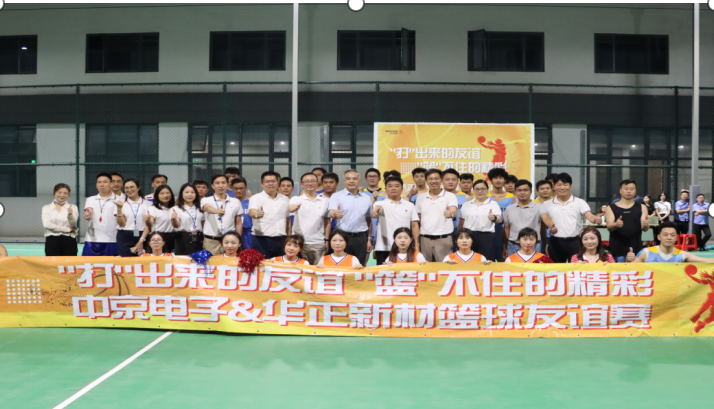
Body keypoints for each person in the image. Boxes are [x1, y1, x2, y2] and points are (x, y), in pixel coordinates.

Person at [540, 172, 601, 263]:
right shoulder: (547, 204)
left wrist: (595, 219)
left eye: (565, 184)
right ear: (554, 187)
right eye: (559, 185)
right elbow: (545, 217)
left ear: (570, 186)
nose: (562, 187)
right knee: (556, 268)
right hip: (555, 242)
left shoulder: (580, 202)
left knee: (577, 268)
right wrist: (551, 225)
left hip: (575, 241)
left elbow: (589, 215)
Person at [328, 169, 373, 265]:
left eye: (354, 179)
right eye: (348, 179)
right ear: (344, 181)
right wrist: (335, 214)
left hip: (361, 237)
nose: (351, 181)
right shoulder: (336, 196)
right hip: (343, 236)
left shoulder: (366, 198)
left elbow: (368, 219)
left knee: (360, 265)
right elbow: (331, 212)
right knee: (344, 265)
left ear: (359, 181)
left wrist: (369, 239)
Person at [372, 176, 420, 265]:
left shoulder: (409, 205)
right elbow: (376, 208)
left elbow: (414, 226)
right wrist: (375, 211)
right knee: (383, 273)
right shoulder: (380, 203)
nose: (393, 188)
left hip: (404, 247)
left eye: (397, 186)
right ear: (385, 189)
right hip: (383, 248)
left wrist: (416, 245)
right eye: (390, 186)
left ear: (402, 188)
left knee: (405, 272)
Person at [415, 169, 458, 262]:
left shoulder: (450, 196)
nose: (433, 181)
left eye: (436, 178)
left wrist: (450, 214)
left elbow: (454, 211)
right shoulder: (420, 197)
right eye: (430, 179)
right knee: (425, 267)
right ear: (426, 180)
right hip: (425, 239)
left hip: (444, 238)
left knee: (444, 267)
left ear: (441, 180)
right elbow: (418, 218)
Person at [289, 172, 330, 265]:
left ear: (317, 183)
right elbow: (290, 207)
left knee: (318, 270)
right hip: (299, 243)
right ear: (301, 184)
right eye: (307, 181)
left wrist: (327, 240)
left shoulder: (325, 201)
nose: (310, 183)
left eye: (313, 181)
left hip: (318, 243)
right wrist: (293, 208)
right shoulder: (296, 199)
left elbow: (327, 222)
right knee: (300, 269)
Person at [605, 179, 650, 262]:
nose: (629, 191)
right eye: (626, 189)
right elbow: (609, 227)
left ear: (635, 191)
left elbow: (645, 229)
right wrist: (616, 224)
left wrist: (646, 225)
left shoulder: (642, 207)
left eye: (632, 189)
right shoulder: (611, 208)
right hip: (617, 249)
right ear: (620, 190)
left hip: (636, 249)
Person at [249, 171, 290, 259]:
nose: (270, 184)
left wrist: (289, 238)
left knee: (280, 265)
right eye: (267, 181)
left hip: (281, 240)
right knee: (262, 265)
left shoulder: (285, 199)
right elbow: (251, 212)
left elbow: (288, 220)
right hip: (261, 240)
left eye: (273, 181)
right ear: (262, 184)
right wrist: (256, 214)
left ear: (278, 183)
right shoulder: (256, 198)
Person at [459, 179, 501, 261]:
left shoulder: (493, 204)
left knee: (486, 261)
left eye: (483, 189)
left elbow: (498, 220)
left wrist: (494, 218)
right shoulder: (466, 205)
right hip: (468, 236)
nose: (480, 191)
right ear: (473, 190)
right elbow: (461, 222)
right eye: (477, 189)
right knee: (468, 260)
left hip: (486, 236)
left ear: (487, 190)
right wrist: (459, 236)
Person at [629, 221, 713, 263]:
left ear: (676, 238)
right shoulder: (645, 253)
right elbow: (629, 269)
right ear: (659, 237)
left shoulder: (682, 255)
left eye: (672, 235)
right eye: (665, 235)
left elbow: (706, 261)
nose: (669, 238)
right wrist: (628, 261)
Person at [201, 174, 243, 255]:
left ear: (228, 185)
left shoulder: (236, 201)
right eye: (217, 183)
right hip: (211, 241)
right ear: (212, 186)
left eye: (223, 183)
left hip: (230, 241)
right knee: (211, 262)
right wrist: (217, 211)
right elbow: (207, 208)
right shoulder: (206, 200)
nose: (220, 186)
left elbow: (238, 223)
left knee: (230, 261)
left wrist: (238, 239)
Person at [503, 180, 544, 258]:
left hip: (534, 245)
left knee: (534, 265)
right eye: (519, 190)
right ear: (515, 192)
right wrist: (505, 246)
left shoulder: (539, 208)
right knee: (513, 266)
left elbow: (543, 228)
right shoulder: (509, 209)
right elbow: (506, 229)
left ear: (531, 191)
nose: (522, 193)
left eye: (525, 190)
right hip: (513, 245)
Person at [82, 172, 119, 256]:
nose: (102, 184)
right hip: (92, 240)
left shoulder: (120, 199)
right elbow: (89, 211)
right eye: (99, 182)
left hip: (112, 239)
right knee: (89, 263)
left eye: (105, 182)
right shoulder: (90, 199)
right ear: (96, 185)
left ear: (111, 184)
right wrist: (87, 215)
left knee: (110, 264)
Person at [115, 178, 150, 257]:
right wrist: (119, 209)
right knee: (125, 261)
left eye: (132, 187)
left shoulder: (148, 204)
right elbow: (121, 224)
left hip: (143, 235)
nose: (129, 190)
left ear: (138, 188)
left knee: (142, 262)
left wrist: (141, 241)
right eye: (126, 188)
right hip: (124, 236)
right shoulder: (120, 203)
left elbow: (149, 225)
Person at [42, 183, 79, 256]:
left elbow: (73, 225)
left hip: (69, 240)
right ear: (54, 193)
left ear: (68, 194)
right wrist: (67, 230)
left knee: (70, 262)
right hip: (52, 240)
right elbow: (47, 225)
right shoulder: (46, 208)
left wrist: (70, 215)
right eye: (59, 192)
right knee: (52, 262)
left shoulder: (73, 207)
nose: (62, 195)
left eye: (65, 193)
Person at [487, 168, 514, 261]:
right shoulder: (484, 196)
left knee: (503, 260)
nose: (498, 180)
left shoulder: (512, 197)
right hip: (488, 232)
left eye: (501, 178)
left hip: (506, 233)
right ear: (491, 180)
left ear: (505, 180)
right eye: (495, 178)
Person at [172, 183, 205, 255]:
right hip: (183, 239)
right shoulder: (176, 209)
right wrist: (173, 219)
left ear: (196, 194)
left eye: (192, 192)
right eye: (186, 192)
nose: (190, 195)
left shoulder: (200, 208)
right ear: (181, 194)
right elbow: (176, 225)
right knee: (183, 260)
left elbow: (203, 225)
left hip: (199, 239)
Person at [144, 185, 177, 254]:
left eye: (168, 193)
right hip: (159, 238)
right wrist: (147, 220)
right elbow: (150, 222)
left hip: (174, 237)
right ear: (157, 196)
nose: (165, 195)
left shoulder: (175, 208)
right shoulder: (153, 208)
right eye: (162, 193)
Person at [231, 177, 253, 250]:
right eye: (236, 189)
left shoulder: (252, 202)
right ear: (232, 189)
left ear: (246, 188)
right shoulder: (229, 202)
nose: (239, 191)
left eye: (241, 188)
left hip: (249, 233)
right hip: (233, 233)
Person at [534, 180, 554, 254]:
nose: (545, 190)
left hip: (553, 236)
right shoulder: (533, 204)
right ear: (537, 191)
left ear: (552, 189)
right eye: (542, 189)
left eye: (547, 188)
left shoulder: (556, 203)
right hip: (538, 237)